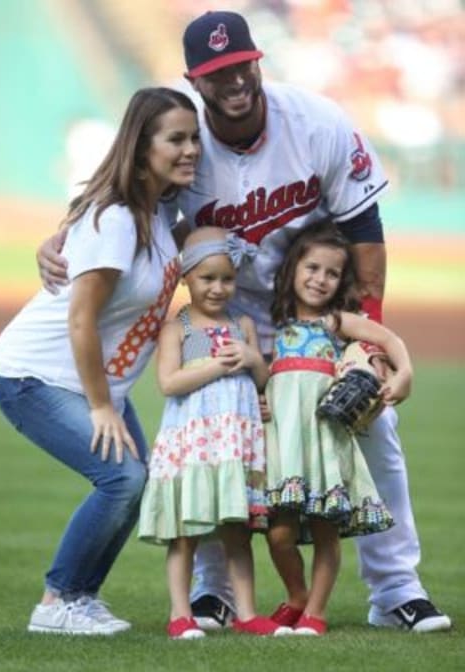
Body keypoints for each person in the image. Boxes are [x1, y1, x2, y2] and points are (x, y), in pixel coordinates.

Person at [35, 11, 451, 633]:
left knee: (372, 426)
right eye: (215, 73)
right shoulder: (183, 137)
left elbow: (364, 227)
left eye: (240, 66)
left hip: (311, 308)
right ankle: (216, 592)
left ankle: (395, 590)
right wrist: (66, 231)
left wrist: (368, 334)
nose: (232, 81)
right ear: (194, 81)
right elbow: (124, 184)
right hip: (226, 314)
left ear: (258, 61)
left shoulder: (317, 122)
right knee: (216, 436)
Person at [0, 87, 201, 635]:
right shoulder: (120, 220)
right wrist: (104, 405)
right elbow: (80, 319)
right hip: (34, 375)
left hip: (88, 382)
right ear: (141, 146)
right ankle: (57, 602)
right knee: (122, 479)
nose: (190, 149)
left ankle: (77, 599)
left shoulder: (158, 210)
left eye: (193, 138)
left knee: (135, 480)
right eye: (176, 139)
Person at [138, 226, 292, 639]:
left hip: (235, 447)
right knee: (186, 534)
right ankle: (180, 615)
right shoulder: (178, 328)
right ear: (187, 278)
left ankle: (245, 613)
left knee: (237, 533)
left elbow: (262, 377)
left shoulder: (242, 324)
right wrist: (218, 366)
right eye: (208, 278)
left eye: (227, 278)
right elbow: (169, 383)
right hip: (194, 443)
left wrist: (249, 358)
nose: (218, 287)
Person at [264, 221, 413, 636]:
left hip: (325, 442)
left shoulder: (335, 322)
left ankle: (315, 611)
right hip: (286, 445)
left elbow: (389, 339)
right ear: (292, 268)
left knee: (327, 528)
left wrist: (406, 373)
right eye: (312, 268)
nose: (320, 279)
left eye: (332, 273)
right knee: (279, 534)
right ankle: (296, 595)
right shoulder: (272, 322)